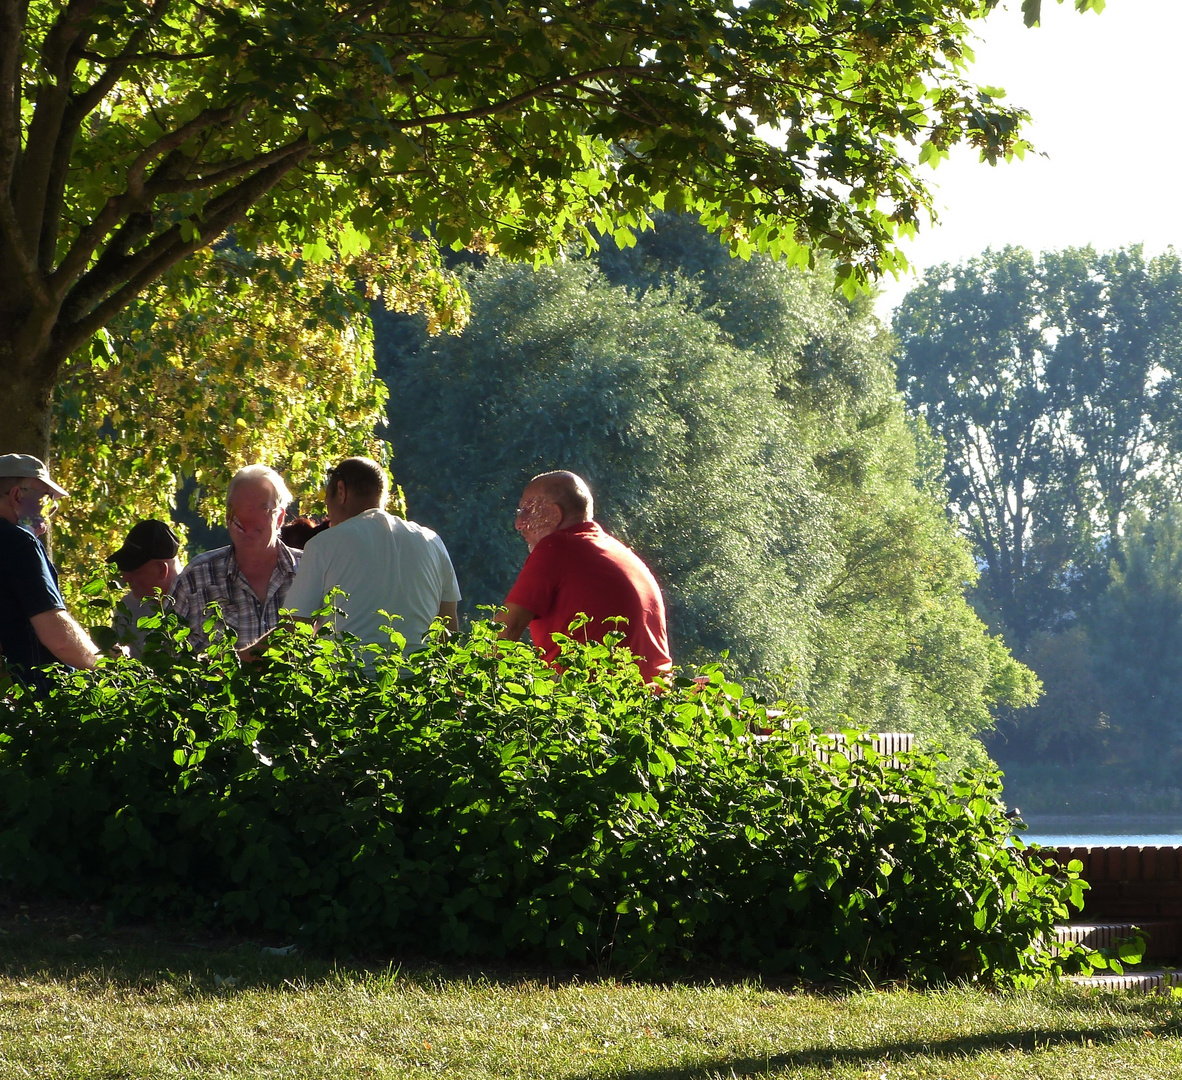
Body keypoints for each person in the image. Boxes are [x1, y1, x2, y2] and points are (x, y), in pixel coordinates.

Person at [500, 470, 672, 681]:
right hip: (653, 702)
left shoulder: (557, 547)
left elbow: (505, 631)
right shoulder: (622, 554)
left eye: (526, 511)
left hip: (594, 704)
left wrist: (461, 691)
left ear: (554, 514)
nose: (518, 524)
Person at [279, 457, 460, 655]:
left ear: (341, 491)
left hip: (347, 682)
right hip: (420, 682)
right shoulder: (433, 542)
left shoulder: (323, 545)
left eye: (327, 502)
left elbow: (292, 633)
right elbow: (448, 632)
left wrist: (241, 660)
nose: (328, 516)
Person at [171, 464, 300, 649]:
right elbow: (162, 657)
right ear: (226, 516)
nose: (247, 519)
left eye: (262, 510)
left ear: (280, 518)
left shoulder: (311, 573)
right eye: (238, 511)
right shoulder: (196, 579)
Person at [0, 454, 100, 690]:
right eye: (47, 499)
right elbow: (59, 639)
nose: (51, 510)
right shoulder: (19, 543)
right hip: (28, 704)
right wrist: (107, 665)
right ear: (17, 496)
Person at [107, 519, 182, 658]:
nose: (125, 579)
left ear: (161, 570)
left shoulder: (202, 605)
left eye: (133, 571)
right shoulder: (128, 607)